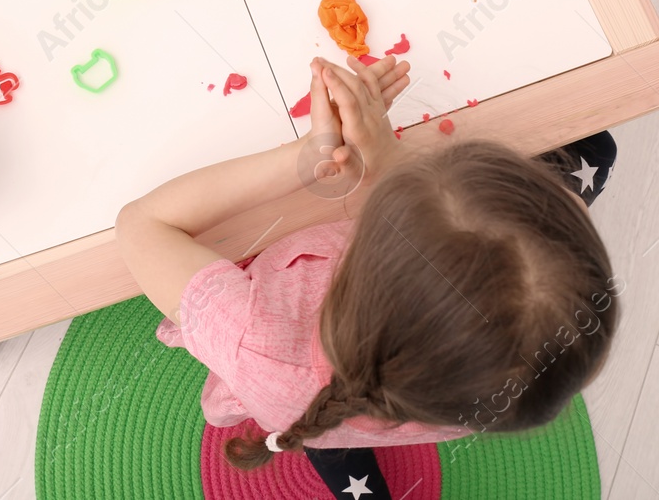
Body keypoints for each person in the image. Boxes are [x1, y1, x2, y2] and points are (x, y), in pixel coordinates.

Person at [117, 55, 620, 497]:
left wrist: (307, 156)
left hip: (296, 403)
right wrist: (392, 161)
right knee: (601, 152)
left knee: (321, 426)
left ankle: (334, 452)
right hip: (390, 409)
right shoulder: (501, 386)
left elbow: (141, 224)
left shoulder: (256, 338)